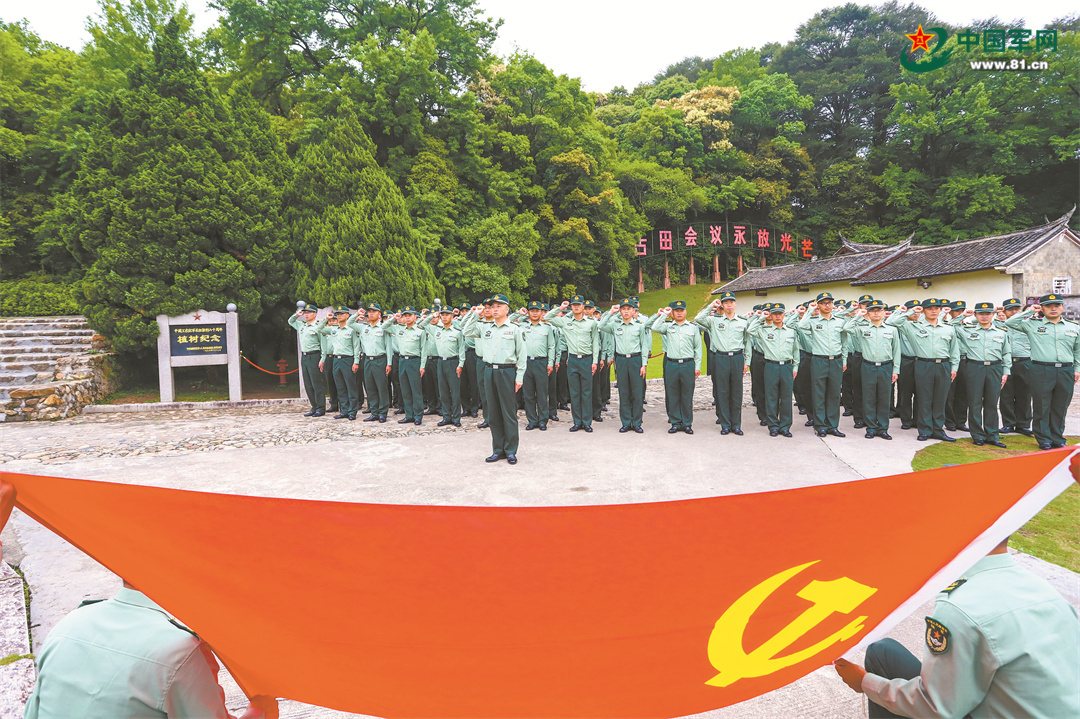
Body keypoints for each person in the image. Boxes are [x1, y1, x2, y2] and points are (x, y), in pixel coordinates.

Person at [834, 535, 1080, 719]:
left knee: (881, 659)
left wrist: (864, 682)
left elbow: (937, 708)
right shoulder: (1045, 592)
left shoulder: (960, 605)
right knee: (884, 652)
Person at [1002, 293, 1080, 450]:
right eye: (1048, 306)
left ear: (1062, 307)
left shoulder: (1073, 327)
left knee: (1060, 407)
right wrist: (1030, 311)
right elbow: (1010, 322)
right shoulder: (1032, 324)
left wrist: (1077, 369)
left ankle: (1057, 437)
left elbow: (1077, 350)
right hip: (1041, 369)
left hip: (1065, 370)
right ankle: (1043, 438)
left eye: (1057, 305)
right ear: (1042, 308)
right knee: (1042, 406)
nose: (1053, 308)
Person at [462, 294, 527, 463]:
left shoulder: (515, 329)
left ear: (507, 309)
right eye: (492, 306)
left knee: (508, 413)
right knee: (493, 413)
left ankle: (510, 450)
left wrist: (519, 377)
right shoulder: (485, 328)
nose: (495, 309)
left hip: (507, 372)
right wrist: (475, 314)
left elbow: (522, 355)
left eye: (499, 306)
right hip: (489, 371)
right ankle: (498, 449)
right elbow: (466, 331)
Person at [886, 299, 959, 442]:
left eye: (936, 308)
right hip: (924, 365)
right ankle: (925, 430)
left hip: (944, 365)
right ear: (923, 310)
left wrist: (954, 367)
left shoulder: (948, 328)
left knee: (940, 400)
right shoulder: (913, 327)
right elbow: (893, 322)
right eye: (929, 308)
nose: (933, 311)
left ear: (940, 310)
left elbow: (954, 350)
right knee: (924, 399)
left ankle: (938, 430)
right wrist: (911, 311)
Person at [956, 302, 1011, 448]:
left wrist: (1006, 372)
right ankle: (977, 435)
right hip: (975, 367)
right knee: (974, 403)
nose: (984, 316)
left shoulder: (1001, 332)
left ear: (993, 315)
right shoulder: (967, 330)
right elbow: (950, 325)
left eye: (988, 314)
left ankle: (992, 435)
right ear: (975, 315)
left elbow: (1006, 353)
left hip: (995, 368)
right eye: (981, 314)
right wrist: (963, 316)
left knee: (992, 403)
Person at [695, 291, 750, 435]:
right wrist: (711, 306)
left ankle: (736, 425)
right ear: (722, 305)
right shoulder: (714, 321)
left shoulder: (743, 321)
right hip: (721, 358)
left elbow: (747, 342)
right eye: (726, 302)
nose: (729, 305)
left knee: (736, 392)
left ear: (735, 304)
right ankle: (725, 425)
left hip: (737, 358)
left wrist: (747, 362)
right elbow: (698, 318)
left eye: (731, 302)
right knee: (722, 391)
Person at [843, 300, 900, 440]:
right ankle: (871, 428)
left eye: (878, 310)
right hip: (868, 366)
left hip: (886, 366)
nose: (876, 313)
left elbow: (896, 350)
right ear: (868, 313)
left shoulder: (892, 330)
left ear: (883, 312)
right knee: (869, 398)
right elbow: (847, 328)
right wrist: (859, 315)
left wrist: (896, 370)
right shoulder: (862, 329)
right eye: (872, 310)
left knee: (884, 398)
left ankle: (883, 428)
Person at [544, 296, 600, 433]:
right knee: (574, 392)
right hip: (573, 360)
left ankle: (586, 422)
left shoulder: (591, 323)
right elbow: (547, 317)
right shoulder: (565, 322)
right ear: (571, 307)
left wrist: (594, 361)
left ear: (583, 307)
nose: (576, 307)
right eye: (573, 305)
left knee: (586, 392)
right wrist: (561, 308)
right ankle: (577, 422)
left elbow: (595, 343)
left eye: (578, 305)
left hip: (587, 359)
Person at [797, 292, 849, 438]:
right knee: (818, 394)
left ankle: (833, 426)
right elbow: (801, 326)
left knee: (834, 394)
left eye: (829, 302)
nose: (827, 305)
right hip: (819, 360)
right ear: (818, 305)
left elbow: (844, 343)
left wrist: (844, 360)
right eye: (823, 303)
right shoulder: (813, 321)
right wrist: (810, 310)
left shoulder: (840, 321)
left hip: (836, 360)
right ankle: (820, 426)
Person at [599, 299, 651, 433]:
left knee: (637, 393)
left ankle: (637, 422)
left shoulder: (639, 326)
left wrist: (644, 364)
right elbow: (601, 325)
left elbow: (644, 346)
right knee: (624, 392)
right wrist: (611, 312)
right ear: (620, 311)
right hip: (621, 360)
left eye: (629, 309)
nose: (626, 311)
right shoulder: (615, 325)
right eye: (623, 309)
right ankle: (626, 422)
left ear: (634, 311)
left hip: (636, 360)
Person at [746, 304, 799, 437]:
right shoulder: (764, 330)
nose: (777, 316)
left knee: (786, 398)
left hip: (787, 366)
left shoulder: (791, 331)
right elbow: (750, 330)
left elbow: (796, 351)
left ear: (784, 315)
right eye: (774, 313)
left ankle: (785, 426)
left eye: (780, 313)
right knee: (771, 397)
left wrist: (795, 367)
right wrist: (761, 318)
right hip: (771, 366)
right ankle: (773, 426)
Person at [650, 300, 702, 434]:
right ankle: (675, 423)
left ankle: (687, 423)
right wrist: (664, 314)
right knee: (672, 394)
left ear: (685, 311)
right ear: (673, 313)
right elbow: (654, 327)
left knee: (687, 395)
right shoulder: (668, 327)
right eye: (676, 311)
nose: (679, 313)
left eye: (681, 310)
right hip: (672, 364)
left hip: (688, 364)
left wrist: (697, 366)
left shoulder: (693, 327)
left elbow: (698, 348)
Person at [513, 301, 555, 431]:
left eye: (537, 311)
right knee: (528, 394)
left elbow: (551, 346)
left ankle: (543, 420)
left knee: (542, 393)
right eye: (532, 311)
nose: (535, 313)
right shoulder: (522, 326)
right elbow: (510, 322)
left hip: (541, 362)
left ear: (541, 312)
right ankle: (532, 420)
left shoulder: (547, 328)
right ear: (529, 312)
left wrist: (550, 363)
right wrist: (521, 314)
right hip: (526, 362)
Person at [421, 305, 466, 427]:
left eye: (447, 315)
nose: (445, 317)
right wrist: (432, 315)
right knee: (443, 391)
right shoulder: (436, 330)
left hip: (453, 362)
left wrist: (461, 364)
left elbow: (461, 349)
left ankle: (456, 418)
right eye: (443, 315)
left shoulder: (457, 332)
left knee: (455, 392)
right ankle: (446, 417)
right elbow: (422, 324)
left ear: (452, 316)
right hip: (441, 362)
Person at [347, 302, 391, 423]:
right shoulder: (363, 327)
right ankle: (374, 412)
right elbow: (349, 323)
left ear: (379, 314)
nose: (371, 314)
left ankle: (383, 413)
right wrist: (357, 314)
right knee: (370, 387)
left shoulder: (383, 327)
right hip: (367, 360)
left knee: (381, 387)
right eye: (369, 312)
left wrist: (389, 363)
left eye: (374, 312)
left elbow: (388, 346)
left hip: (380, 360)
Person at [385, 307, 427, 426]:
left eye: (410, 315)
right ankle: (409, 415)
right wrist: (393, 318)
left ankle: (418, 415)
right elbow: (384, 326)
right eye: (405, 316)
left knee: (415, 390)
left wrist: (422, 365)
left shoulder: (420, 331)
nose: (407, 317)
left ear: (415, 317)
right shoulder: (399, 329)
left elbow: (424, 350)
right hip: (402, 360)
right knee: (405, 390)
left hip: (415, 361)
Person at [997, 298, 1033, 437]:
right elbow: (975, 322)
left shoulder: (1028, 324)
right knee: (1006, 395)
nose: (1013, 312)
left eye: (1016, 309)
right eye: (1010, 309)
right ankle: (1008, 423)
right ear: (1004, 311)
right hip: (1005, 363)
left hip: (1024, 362)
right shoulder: (996, 324)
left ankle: (1023, 424)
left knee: (1024, 394)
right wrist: (994, 311)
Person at [318, 306, 361, 421]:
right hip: (336, 360)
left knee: (350, 386)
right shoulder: (333, 329)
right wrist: (326, 319)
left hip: (348, 359)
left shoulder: (351, 329)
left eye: (342, 313)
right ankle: (344, 410)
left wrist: (356, 362)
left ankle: (352, 411)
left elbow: (356, 347)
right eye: (338, 314)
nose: (339, 315)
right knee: (340, 387)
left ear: (347, 315)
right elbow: (319, 329)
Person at [288, 304, 326, 417]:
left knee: (316, 383)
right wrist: (297, 315)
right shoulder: (302, 325)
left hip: (315, 356)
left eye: (309, 312)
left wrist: (322, 359)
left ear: (315, 314)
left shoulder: (318, 326)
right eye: (305, 313)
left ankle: (320, 408)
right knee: (308, 384)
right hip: (304, 356)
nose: (306, 315)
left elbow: (323, 344)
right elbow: (290, 321)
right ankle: (314, 406)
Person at [944, 300, 971, 432]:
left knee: (963, 392)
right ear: (951, 313)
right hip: (951, 361)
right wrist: (962, 317)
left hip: (966, 361)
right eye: (957, 311)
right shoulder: (948, 325)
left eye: (962, 311)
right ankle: (949, 421)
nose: (960, 313)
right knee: (950, 393)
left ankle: (961, 421)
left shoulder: (969, 326)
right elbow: (951, 324)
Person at [894, 300, 921, 430]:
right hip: (906, 361)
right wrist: (901, 311)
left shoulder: (924, 325)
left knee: (920, 392)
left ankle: (917, 419)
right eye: (912, 310)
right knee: (905, 392)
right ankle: (906, 419)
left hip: (921, 361)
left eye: (917, 310)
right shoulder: (902, 325)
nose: (915, 313)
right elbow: (891, 321)